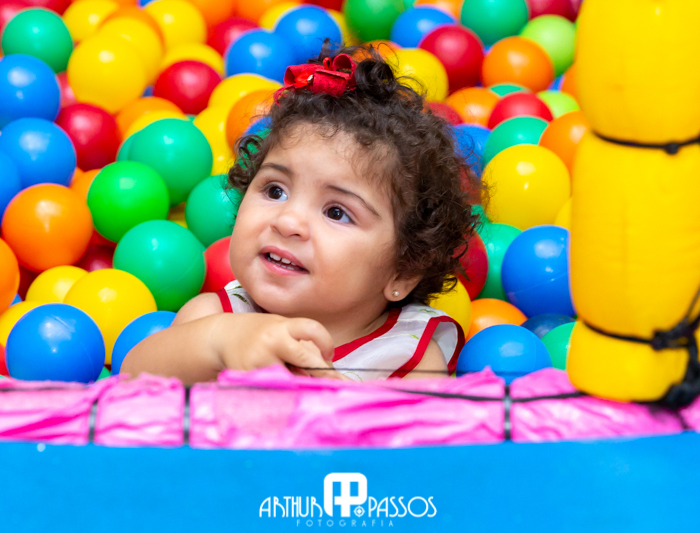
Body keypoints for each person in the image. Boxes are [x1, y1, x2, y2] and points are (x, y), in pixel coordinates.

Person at [121, 45, 484, 385]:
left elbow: (423, 431)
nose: (287, 221)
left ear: (402, 270)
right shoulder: (216, 319)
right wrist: (220, 343)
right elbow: (132, 380)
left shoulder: (408, 358)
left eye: (336, 212)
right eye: (275, 191)